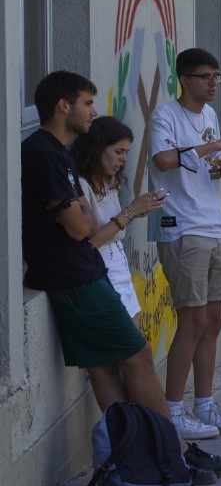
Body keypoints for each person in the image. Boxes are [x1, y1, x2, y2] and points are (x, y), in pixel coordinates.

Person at [23, 73, 221, 484]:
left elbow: (84, 219)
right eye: (86, 102)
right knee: (136, 355)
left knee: (105, 367)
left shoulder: (57, 153)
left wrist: (91, 217)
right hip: (75, 277)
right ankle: (175, 451)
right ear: (63, 105)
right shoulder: (43, 153)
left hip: (80, 274)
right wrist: (114, 215)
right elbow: (80, 228)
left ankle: (140, 454)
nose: (92, 111)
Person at [149, 47, 221, 441]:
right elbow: (163, 160)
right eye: (206, 77)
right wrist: (215, 146)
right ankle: (174, 409)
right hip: (182, 227)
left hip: (214, 225)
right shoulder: (166, 115)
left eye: (216, 76)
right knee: (191, 320)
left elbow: (206, 168)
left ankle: (205, 404)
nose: (213, 84)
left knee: (213, 320)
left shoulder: (209, 115)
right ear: (185, 80)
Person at [72, 117, 164, 333]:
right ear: (97, 148)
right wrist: (130, 212)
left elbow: (115, 224)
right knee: (129, 343)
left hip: (119, 264)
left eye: (126, 153)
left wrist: (136, 212)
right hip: (100, 269)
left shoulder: (108, 180)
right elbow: (91, 242)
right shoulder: (81, 185)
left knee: (136, 333)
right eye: (118, 151)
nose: (123, 159)